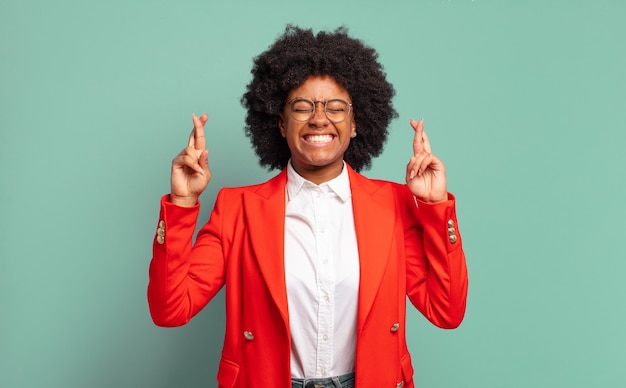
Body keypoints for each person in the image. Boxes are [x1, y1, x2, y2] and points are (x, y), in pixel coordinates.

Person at [148, 25, 468, 388]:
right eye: (302, 107)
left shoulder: (393, 204)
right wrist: (182, 202)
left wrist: (435, 205)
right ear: (281, 123)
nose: (319, 118)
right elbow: (170, 309)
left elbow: (446, 311)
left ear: (355, 123)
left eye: (335, 108)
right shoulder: (237, 208)